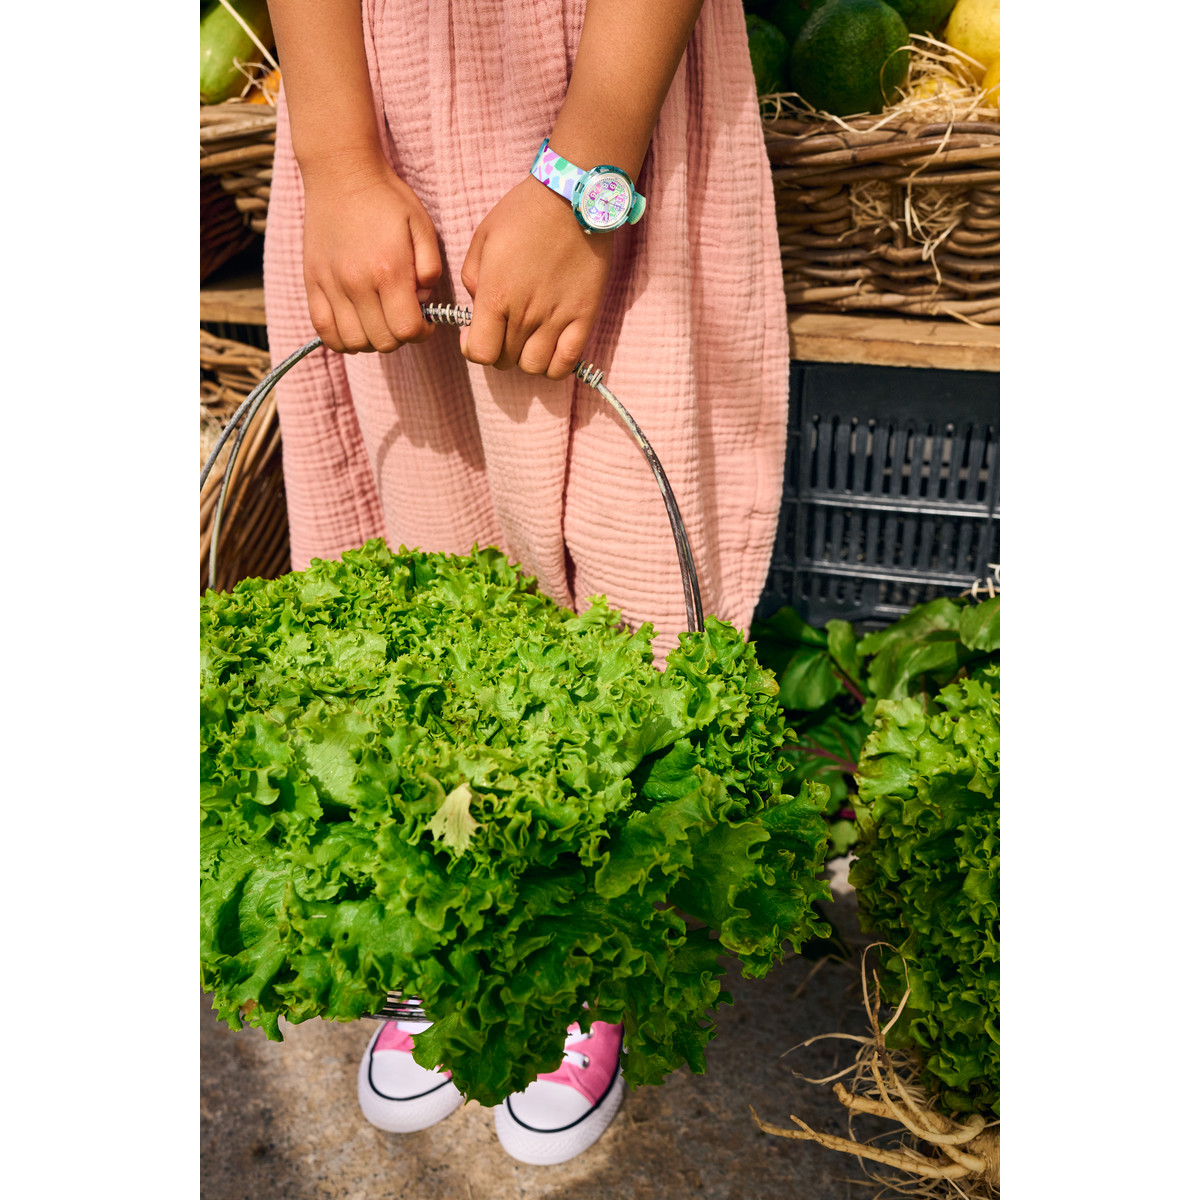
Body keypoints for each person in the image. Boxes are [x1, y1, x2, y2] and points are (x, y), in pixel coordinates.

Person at [261, 0, 789, 1166]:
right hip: (376, 90)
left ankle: (584, 934)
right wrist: (339, 159)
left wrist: (587, 175)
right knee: (419, 537)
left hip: (609, 83)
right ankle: (442, 912)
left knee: (629, 552)